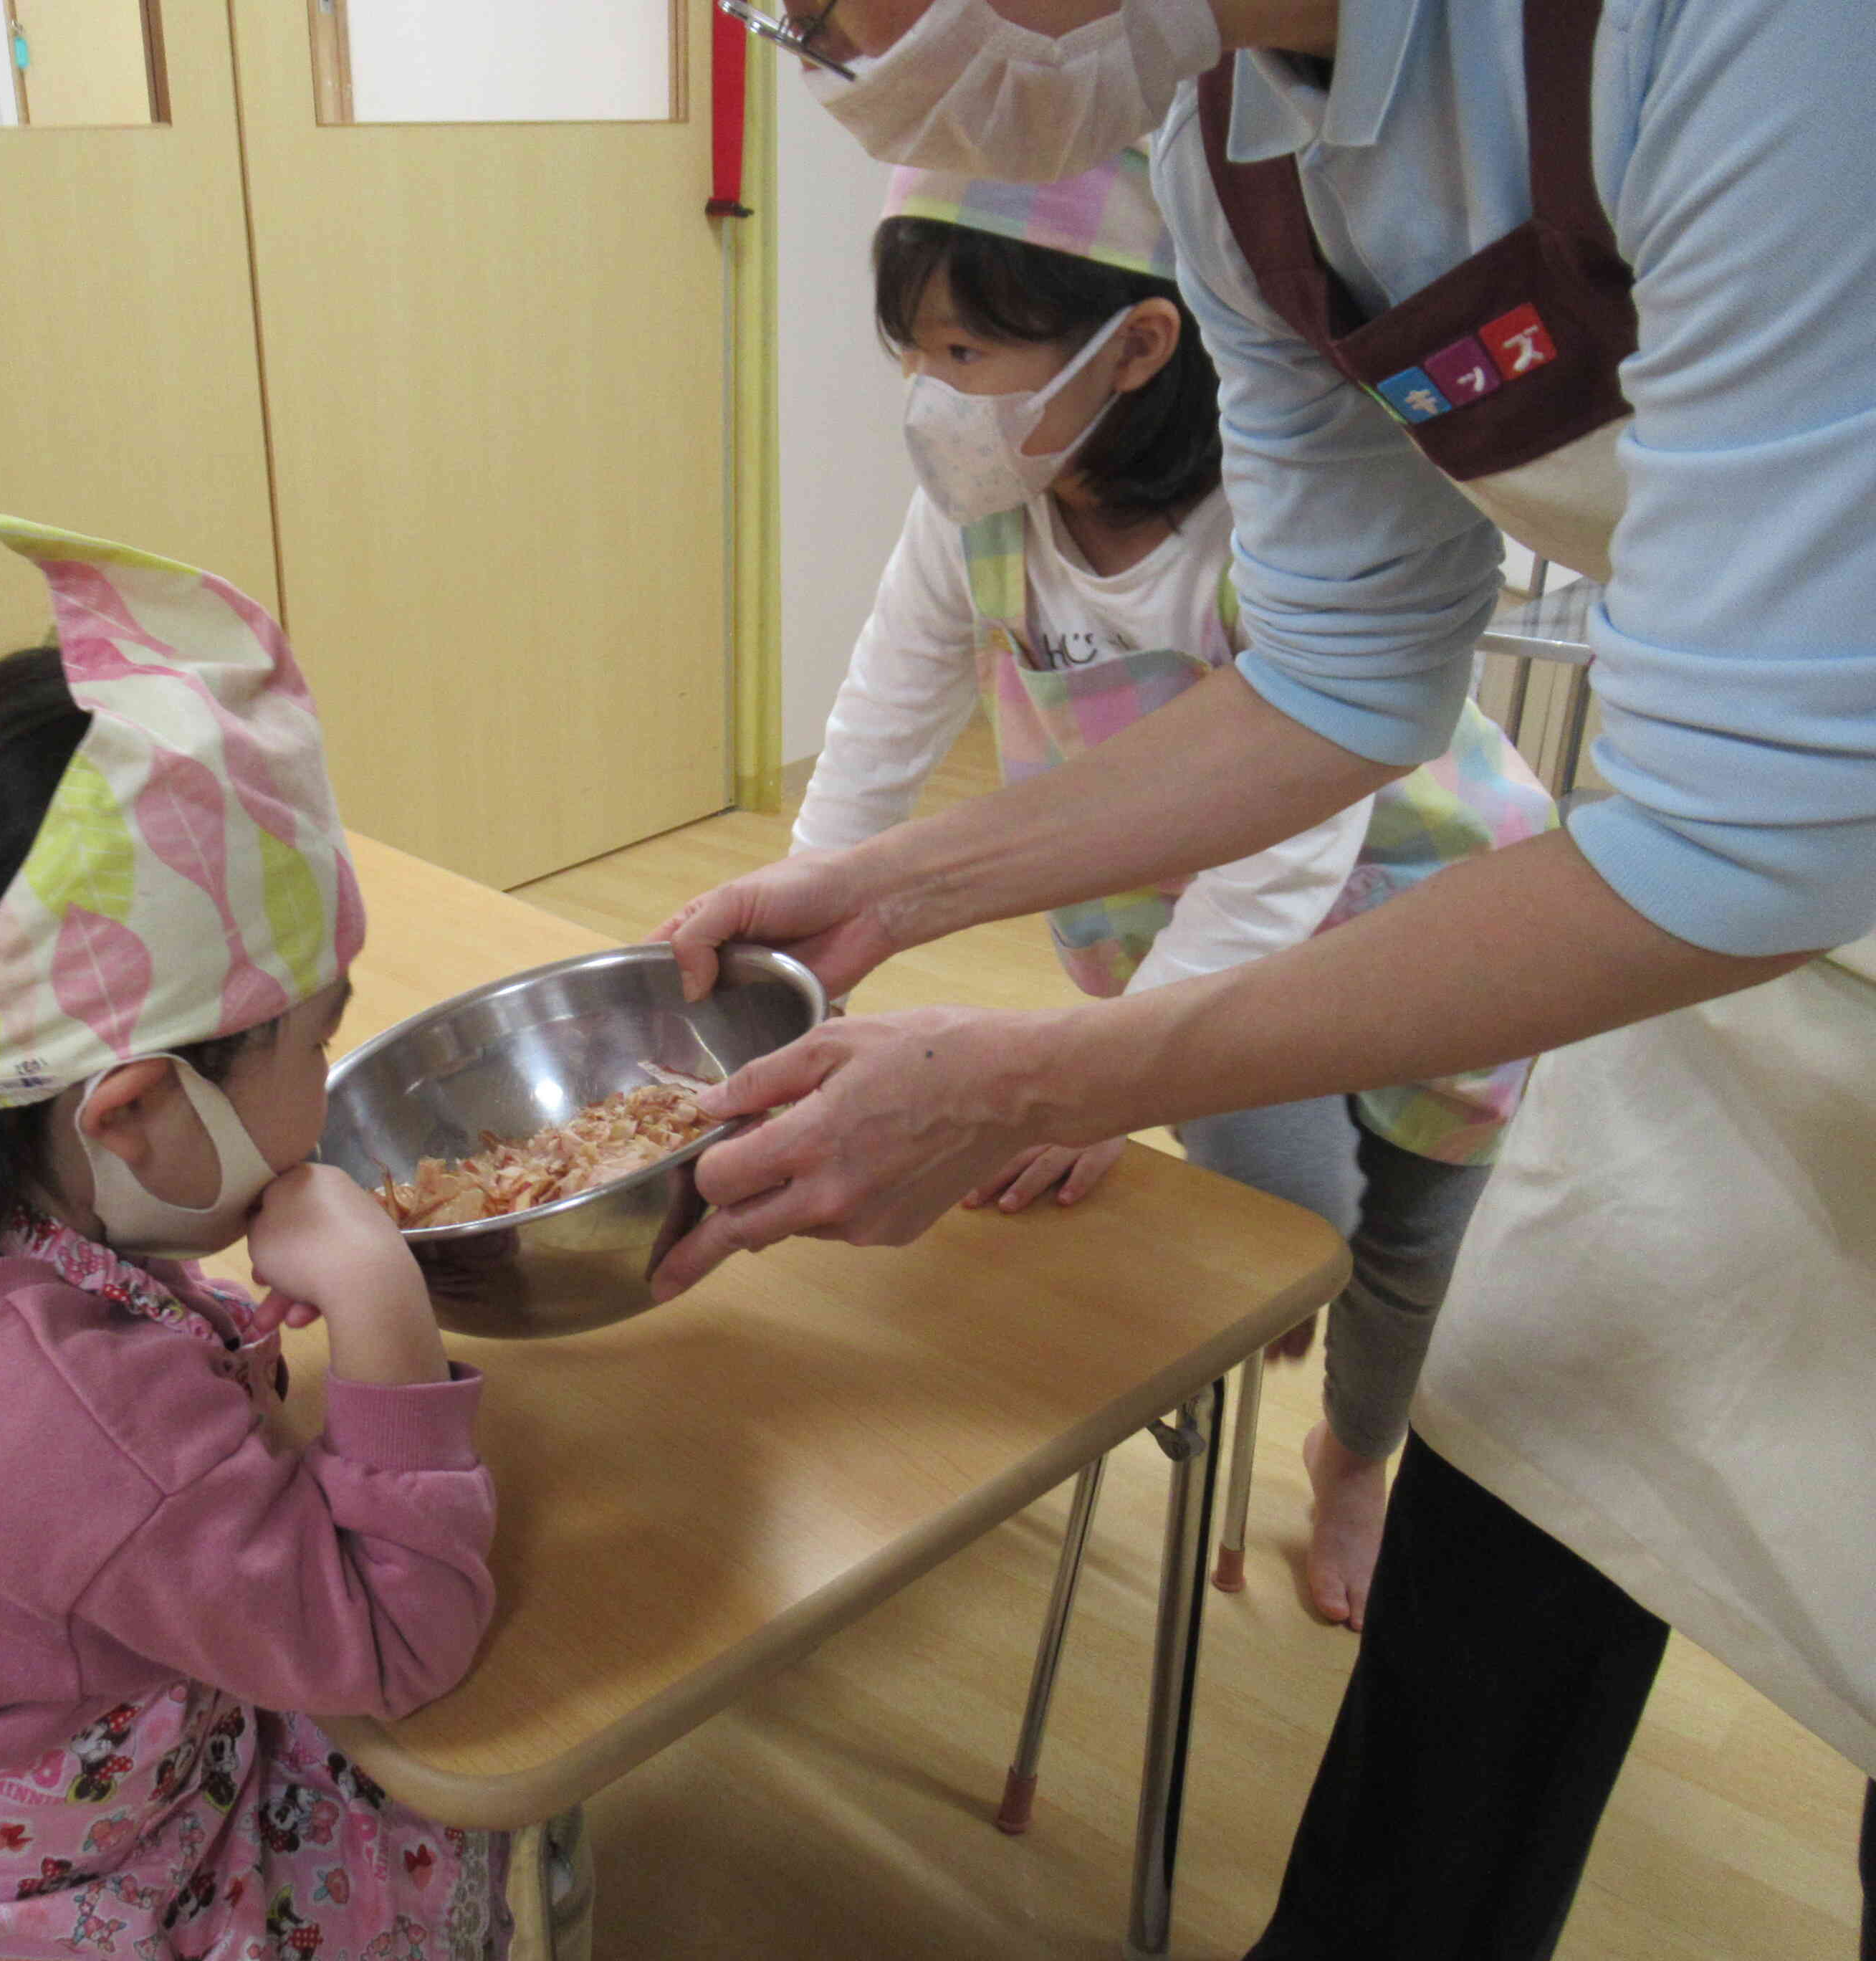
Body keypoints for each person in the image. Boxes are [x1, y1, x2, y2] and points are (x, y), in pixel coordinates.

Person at [669, 0, 1876, 1951]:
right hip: (1731, 934)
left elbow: (1752, 826)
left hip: (1745, 864)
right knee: (1498, 1589)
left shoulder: (1752, 38)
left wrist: (1050, 1078)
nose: (836, 47)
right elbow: (1338, 676)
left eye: (829, 10)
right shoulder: (1235, 146)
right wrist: (889, 883)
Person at [0, 517, 522, 1961]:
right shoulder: (71, 1416)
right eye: (314, 1044)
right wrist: (388, 1323)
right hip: (37, 1892)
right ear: (132, 1111)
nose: (324, 1092)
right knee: (473, 1806)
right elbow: (398, 1651)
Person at [794, 154, 1551, 1626]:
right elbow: (877, 730)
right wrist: (800, 942)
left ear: (1138, 343)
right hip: (1185, 926)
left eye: (963, 353)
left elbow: (1293, 835)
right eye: (912, 356)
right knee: (1285, 1229)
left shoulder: (1270, 523)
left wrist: (1098, 1087)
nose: (931, 396)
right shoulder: (980, 512)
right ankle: (1269, 1360)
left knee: (1405, 1241)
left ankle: (1354, 1460)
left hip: (1419, 893)